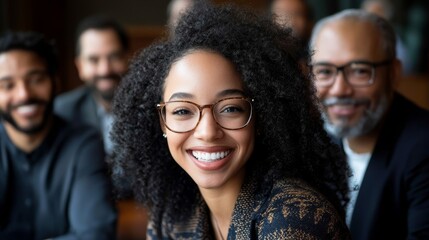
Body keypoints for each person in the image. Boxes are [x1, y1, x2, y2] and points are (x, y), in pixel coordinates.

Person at [111, 3, 351, 239]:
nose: (207, 131)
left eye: (230, 108)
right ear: (162, 122)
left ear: (262, 116)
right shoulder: (172, 216)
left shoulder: (294, 221)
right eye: (183, 111)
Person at [309, 9, 429, 239]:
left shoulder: (422, 147)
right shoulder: (317, 141)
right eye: (324, 72)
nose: (339, 89)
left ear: (394, 73)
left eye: (360, 71)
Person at [0, 31, 117, 239]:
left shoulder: (84, 144)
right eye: (7, 85)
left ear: (56, 81)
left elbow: (95, 234)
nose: (24, 94)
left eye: (36, 80)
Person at [54, 15, 129, 158]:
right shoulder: (62, 113)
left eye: (114, 57)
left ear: (127, 58)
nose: (104, 70)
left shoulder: (152, 108)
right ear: (80, 66)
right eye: (94, 60)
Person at [361, 0, 412, 74]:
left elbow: (405, 65)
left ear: (387, 16)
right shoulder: (359, 37)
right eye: (369, 13)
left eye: (378, 12)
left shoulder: (393, 37)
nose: (373, 17)